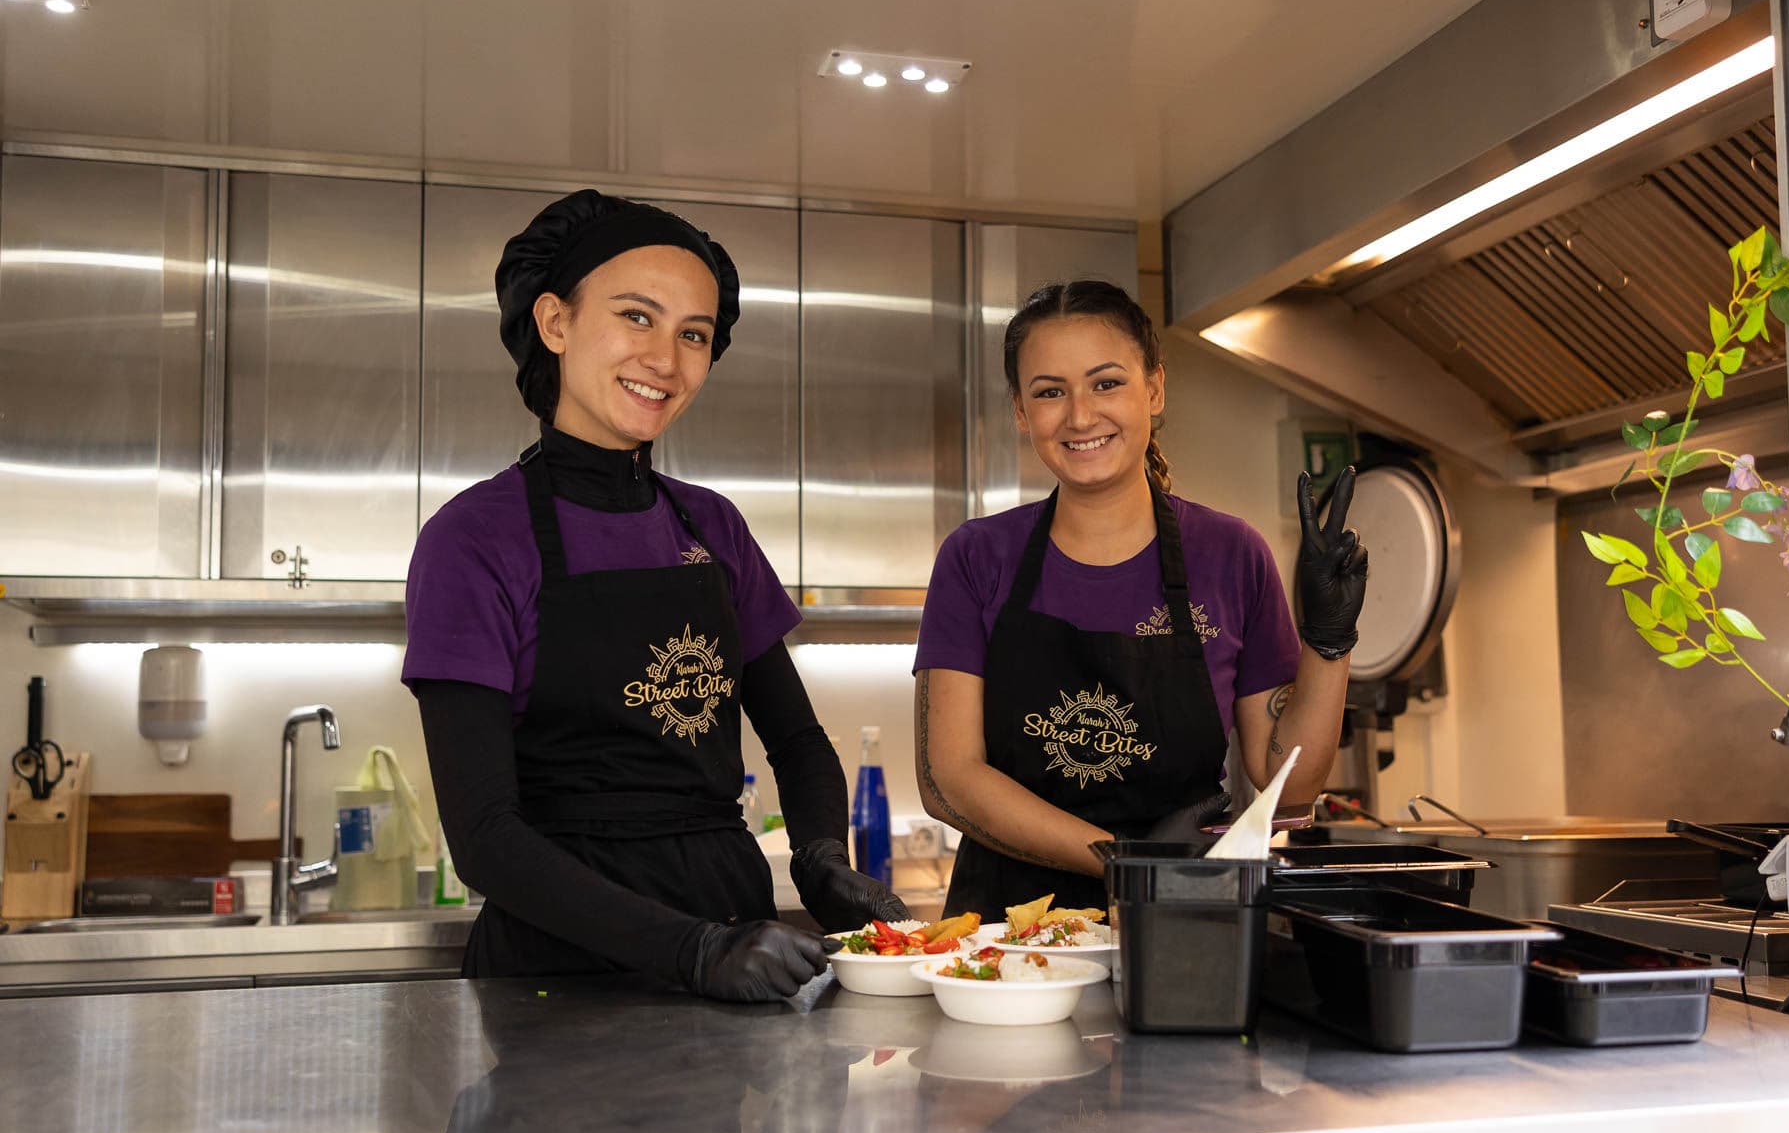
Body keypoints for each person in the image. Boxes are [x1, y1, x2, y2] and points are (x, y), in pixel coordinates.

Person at [403, 190, 908, 1000]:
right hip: (558, 971)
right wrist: (694, 951)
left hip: (734, 944)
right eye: (637, 317)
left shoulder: (711, 524)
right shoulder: (473, 539)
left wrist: (821, 860)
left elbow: (800, 743)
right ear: (555, 322)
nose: (667, 361)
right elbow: (486, 839)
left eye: (694, 335)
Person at [913, 280, 1367, 915]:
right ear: (1021, 411)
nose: (1079, 415)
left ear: (1153, 389)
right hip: (1008, 940)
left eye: (1106, 383)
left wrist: (1329, 644)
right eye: (1049, 392)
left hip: (1182, 924)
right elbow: (948, 779)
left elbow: (1285, 785)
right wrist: (1125, 859)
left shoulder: (1232, 554)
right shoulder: (976, 557)